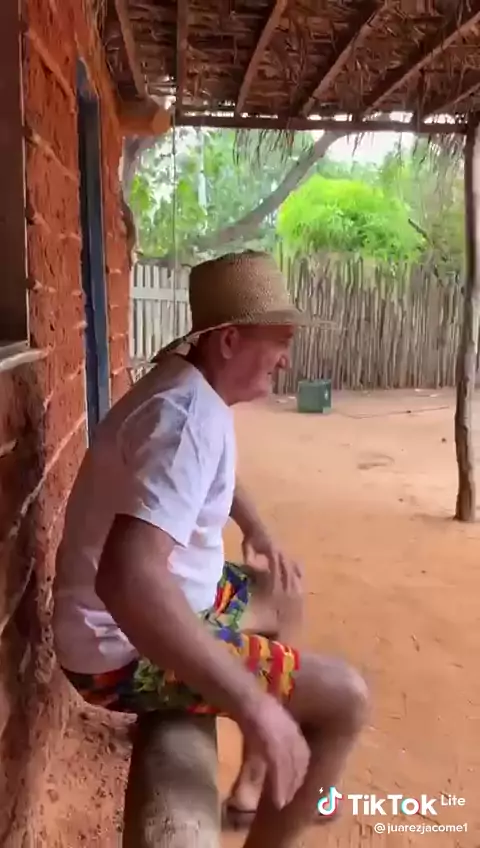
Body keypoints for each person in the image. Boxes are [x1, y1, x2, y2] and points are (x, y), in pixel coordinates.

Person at [53, 251, 367, 847]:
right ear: (228, 341)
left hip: (152, 604)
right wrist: (252, 703)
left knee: (281, 592)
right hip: (117, 649)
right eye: (280, 341)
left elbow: (205, 475)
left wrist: (258, 527)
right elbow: (126, 578)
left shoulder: (192, 388)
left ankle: (253, 782)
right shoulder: (184, 420)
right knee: (344, 700)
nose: (287, 359)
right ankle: (280, 775)